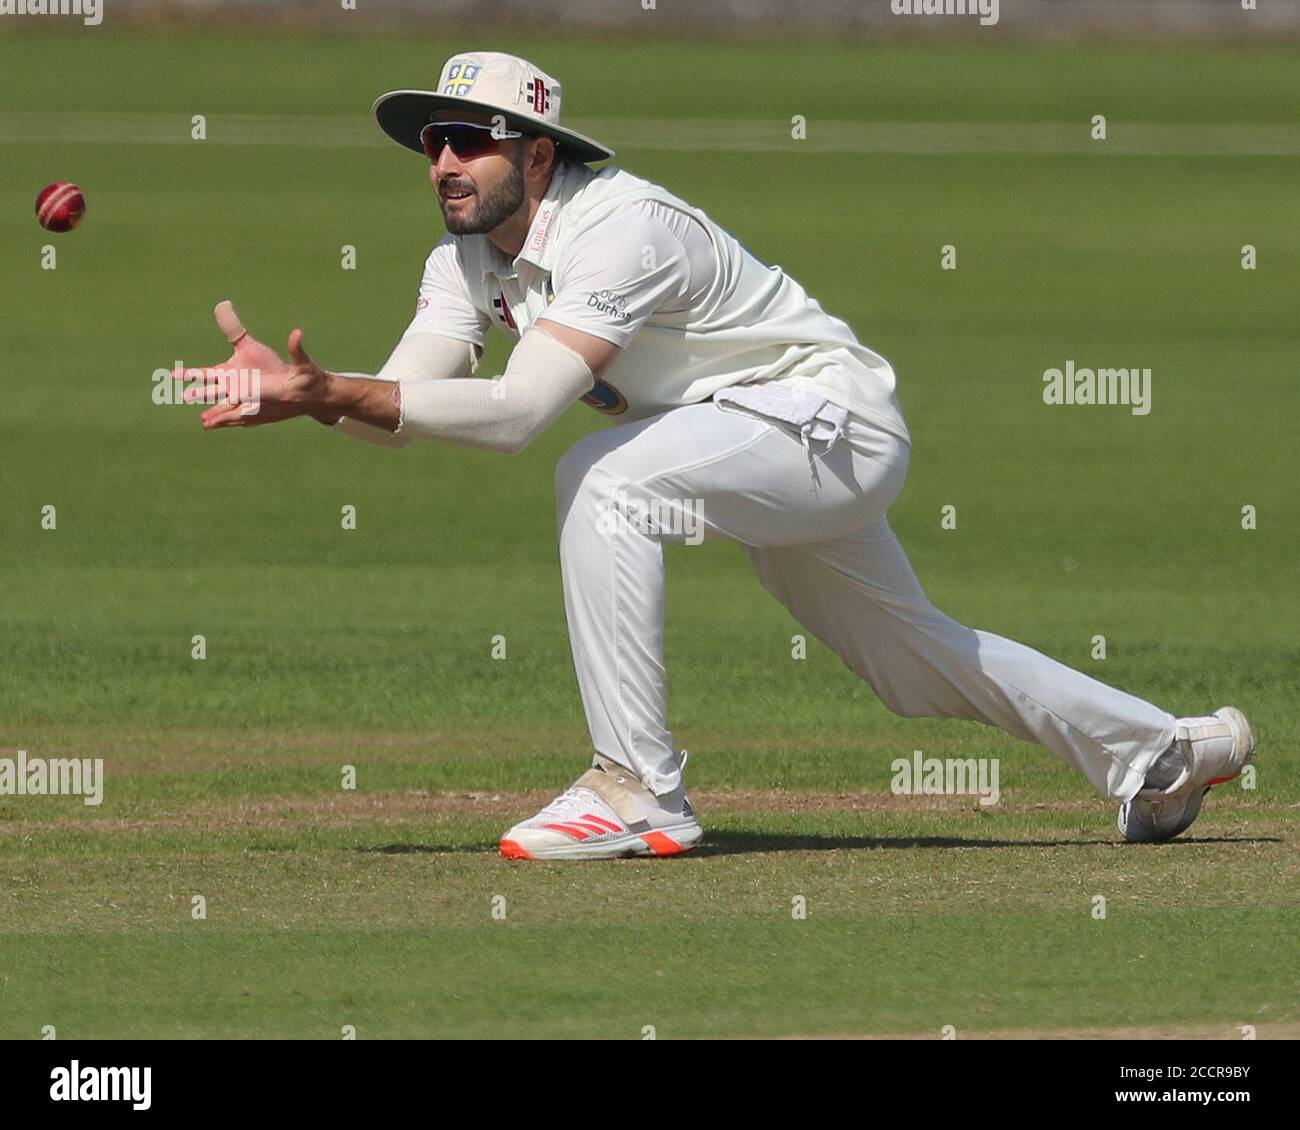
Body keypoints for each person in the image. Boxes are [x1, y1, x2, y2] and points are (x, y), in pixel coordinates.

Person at [175, 51, 1255, 861]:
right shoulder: (461, 262)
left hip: (825, 422)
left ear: (539, 153)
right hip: (747, 445)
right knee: (911, 665)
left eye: (472, 137)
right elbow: (409, 399)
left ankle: (638, 788)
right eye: (432, 143)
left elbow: (511, 414)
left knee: (600, 477)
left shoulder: (619, 227)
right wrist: (309, 399)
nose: (446, 162)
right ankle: (1162, 750)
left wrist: (335, 392)